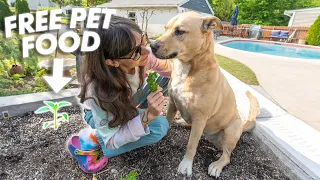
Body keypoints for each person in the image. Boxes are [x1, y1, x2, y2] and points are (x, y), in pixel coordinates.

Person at [66, 14, 172, 174]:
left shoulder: (141, 57)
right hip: (104, 111)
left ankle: (134, 117)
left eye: (144, 40)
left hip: (127, 99)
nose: (145, 51)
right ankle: (91, 139)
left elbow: (170, 69)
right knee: (159, 127)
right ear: (112, 62)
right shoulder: (99, 91)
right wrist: (147, 116)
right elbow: (112, 141)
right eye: (136, 51)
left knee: (164, 79)